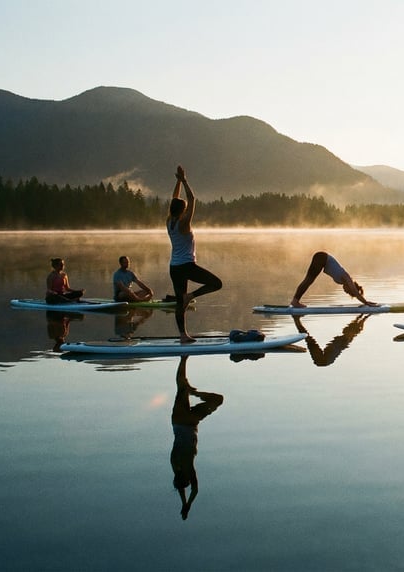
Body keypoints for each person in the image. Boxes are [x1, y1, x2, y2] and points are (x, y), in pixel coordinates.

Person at [167, 165, 222, 343]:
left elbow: (174, 199)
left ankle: (183, 335)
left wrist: (177, 181)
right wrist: (184, 181)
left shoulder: (169, 221)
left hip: (174, 267)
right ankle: (190, 296)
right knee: (216, 283)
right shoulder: (184, 223)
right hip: (187, 266)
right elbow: (192, 198)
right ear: (182, 211)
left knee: (178, 303)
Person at [170, 356, 223, 520]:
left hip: (187, 421)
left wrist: (187, 504)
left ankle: (184, 362)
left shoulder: (184, 467)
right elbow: (187, 488)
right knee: (183, 389)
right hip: (181, 421)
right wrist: (185, 504)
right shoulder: (176, 465)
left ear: (183, 477)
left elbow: (194, 490)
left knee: (184, 389)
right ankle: (184, 364)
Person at [289, 251, 377, 308]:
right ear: (351, 287)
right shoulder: (347, 278)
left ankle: (295, 301)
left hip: (321, 258)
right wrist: (366, 303)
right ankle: (295, 301)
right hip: (322, 258)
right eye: (348, 291)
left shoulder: (343, 281)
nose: (345, 292)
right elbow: (356, 293)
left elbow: (355, 292)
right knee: (308, 280)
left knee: (308, 280)